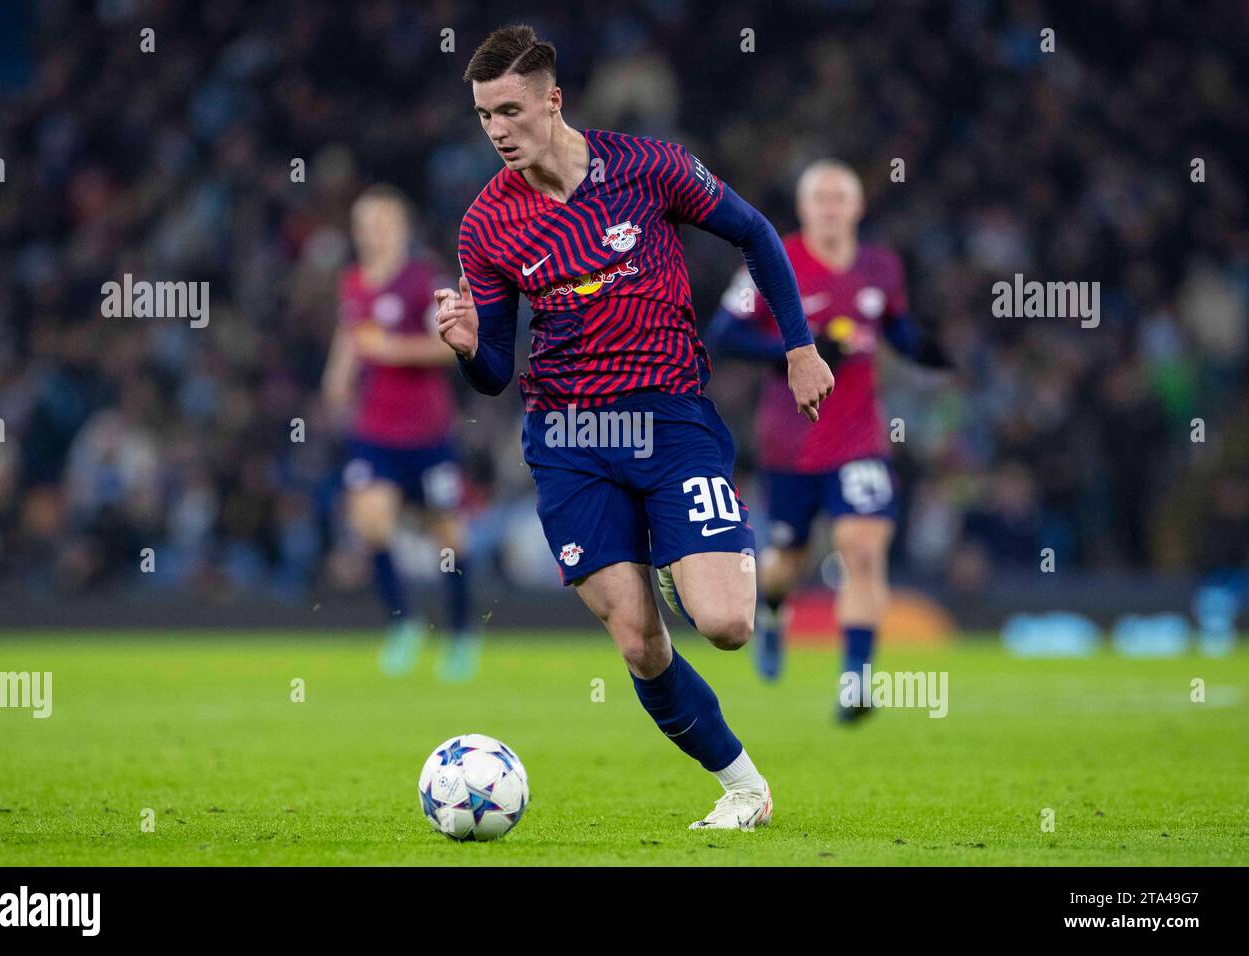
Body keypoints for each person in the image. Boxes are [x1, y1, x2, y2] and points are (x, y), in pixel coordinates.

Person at [433, 25, 835, 828]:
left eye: (510, 110)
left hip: (670, 417)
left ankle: (677, 550)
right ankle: (745, 790)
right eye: (484, 117)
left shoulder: (647, 167)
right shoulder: (487, 225)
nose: (498, 132)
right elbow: (496, 374)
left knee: (724, 623)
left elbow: (755, 233)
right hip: (569, 439)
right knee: (639, 643)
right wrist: (470, 349)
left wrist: (799, 346)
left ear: (553, 99)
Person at [708, 160, 950, 717]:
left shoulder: (881, 266)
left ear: (858, 207)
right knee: (784, 562)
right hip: (791, 443)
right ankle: (771, 611)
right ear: (803, 207)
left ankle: (856, 683)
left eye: (841, 197)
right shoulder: (774, 260)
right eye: (821, 197)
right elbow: (724, 336)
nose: (831, 207)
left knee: (863, 551)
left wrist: (935, 355)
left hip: (861, 439)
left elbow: (897, 327)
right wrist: (800, 350)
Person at [322, 185, 480, 683]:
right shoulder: (352, 282)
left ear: (400, 228)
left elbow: (448, 347)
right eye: (361, 225)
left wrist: (392, 349)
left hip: (428, 431)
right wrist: (337, 380)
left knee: (449, 537)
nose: (369, 234)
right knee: (370, 520)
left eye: (378, 224)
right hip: (375, 430)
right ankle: (405, 623)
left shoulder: (422, 280)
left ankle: (459, 633)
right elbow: (352, 336)